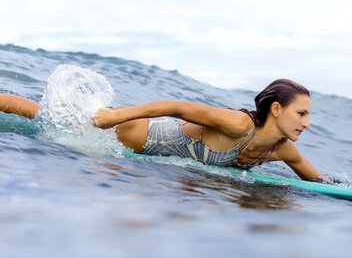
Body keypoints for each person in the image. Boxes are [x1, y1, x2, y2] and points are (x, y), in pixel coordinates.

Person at [1, 79, 333, 183]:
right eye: (301, 113)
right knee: (37, 114)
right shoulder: (239, 124)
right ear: (276, 110)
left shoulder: (280, 149)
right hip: (137, 134)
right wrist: (115, 116)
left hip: (138, 157)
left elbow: (318, 182)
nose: (306, 123)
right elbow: (175, 106)